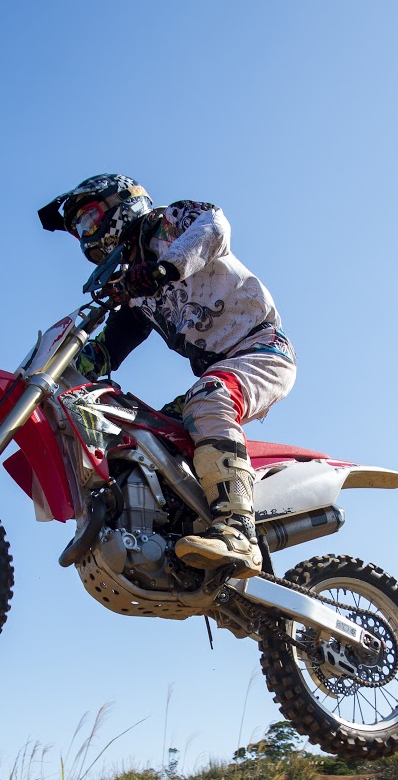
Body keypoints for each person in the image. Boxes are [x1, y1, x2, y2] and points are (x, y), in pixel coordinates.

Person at [38, 174, 295, 578]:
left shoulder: (168, 224)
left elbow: (214, 227)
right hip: (217, 371)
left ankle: (238, 531)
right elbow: (108, 349)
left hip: (261, 349)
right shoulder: (136, 291)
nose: (87, 236)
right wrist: (50, 372)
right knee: (149, 437)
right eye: (80, 231)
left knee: (208, 398)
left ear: (120, 204)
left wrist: (164, 269)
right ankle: (181, 539)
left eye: (88, 221)